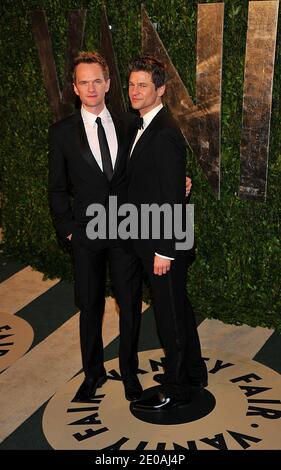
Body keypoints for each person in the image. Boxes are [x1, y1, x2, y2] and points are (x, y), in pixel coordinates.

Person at [48, 51, 144, 402]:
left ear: (108, 83)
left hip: (124, 232)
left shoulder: (128, 124)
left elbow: (143, 174)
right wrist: (69, 230)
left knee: (129, 303)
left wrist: (179, 182)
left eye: (97, 80)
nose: (91, 88)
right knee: (90, 306)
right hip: (86, 235)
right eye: (83, 82)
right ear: (75, 88)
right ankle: (93, 373)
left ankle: (130, 374)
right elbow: (57, 188)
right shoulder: (61, 133)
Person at [127, 56, 207, 411]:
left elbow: (173, 197)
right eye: (131, 84)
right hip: (155, 235)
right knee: (179, 307)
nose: (135, 91)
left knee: (169, 315)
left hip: (163, 241)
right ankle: (193, 370)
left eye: (143, 85)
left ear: (160, 89)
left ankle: (176, 387)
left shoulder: (163, 133)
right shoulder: (142, 125)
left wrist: (165, 250)